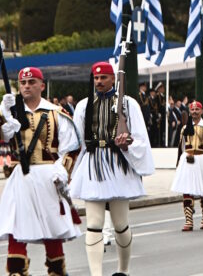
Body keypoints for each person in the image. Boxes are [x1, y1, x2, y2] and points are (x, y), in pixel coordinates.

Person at [70, 62, 155, 276]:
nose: (98, 81)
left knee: (120, 224)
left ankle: (123, 270)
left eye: (103, 78)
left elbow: (141, 137)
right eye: (96, 78)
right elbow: (76, 142)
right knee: (94, 223)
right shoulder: (83, 106)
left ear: (113, 79)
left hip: (118, 165)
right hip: (93, 164)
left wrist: (128, 143)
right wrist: (69, 170)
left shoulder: (128, 104)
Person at [0, 67, 81, 275]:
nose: (26, 86)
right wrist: (3, 115)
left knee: (51, 226)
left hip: (48, 176)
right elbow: (4, 137)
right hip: (21, 178)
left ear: (42, 86)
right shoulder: (13, 112)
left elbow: (71, 147)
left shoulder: (56, 113)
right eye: (23, 83)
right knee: (17, 225)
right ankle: (16, 270)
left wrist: (63, 171)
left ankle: (56, 270)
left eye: (31, 82)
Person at [171, 101, 203, 231]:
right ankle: (188, 220)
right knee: (187, 190)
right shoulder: (185, 128)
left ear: (202, 111)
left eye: (197, 109)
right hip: (188, 159)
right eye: (192, 110)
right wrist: (179, 162)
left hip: (202, 159)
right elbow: (181, 147)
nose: (195, 112)